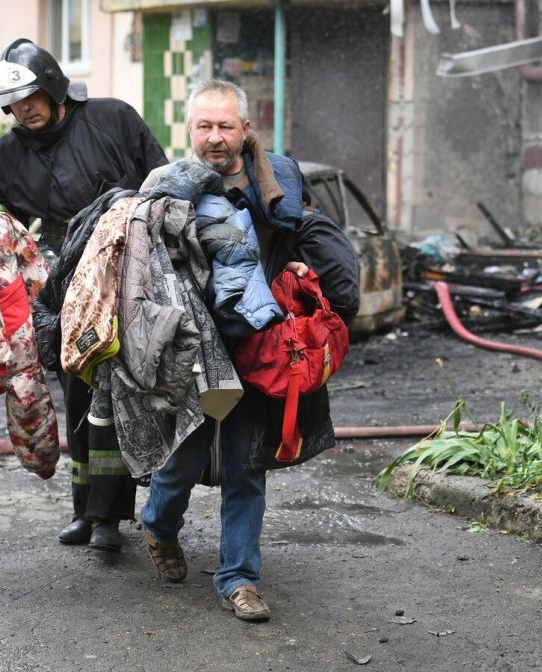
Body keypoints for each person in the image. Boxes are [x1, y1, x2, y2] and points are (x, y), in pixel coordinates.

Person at [140, 79, 359, 621]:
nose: (215, 138)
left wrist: (292, 269)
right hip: (195, 352)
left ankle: (239, 579)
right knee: (185, 458)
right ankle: (160, 526)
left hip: (257, 348)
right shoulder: (167, 187)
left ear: (245, 129)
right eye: (204, 126)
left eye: (225, 126)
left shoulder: (275, 184)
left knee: (245, 465)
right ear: (191, 129)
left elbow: (291, 243)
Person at [0, 38, 168, 551]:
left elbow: (161, 182)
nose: (23, 111)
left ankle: (112, 517)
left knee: (120, 390)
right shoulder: (9, 152)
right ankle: (85, 510)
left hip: (127, 275)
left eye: (31, 98)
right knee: (79, 394)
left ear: (55, 86)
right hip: (59, 287)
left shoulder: (114, 120)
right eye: (13, 105)